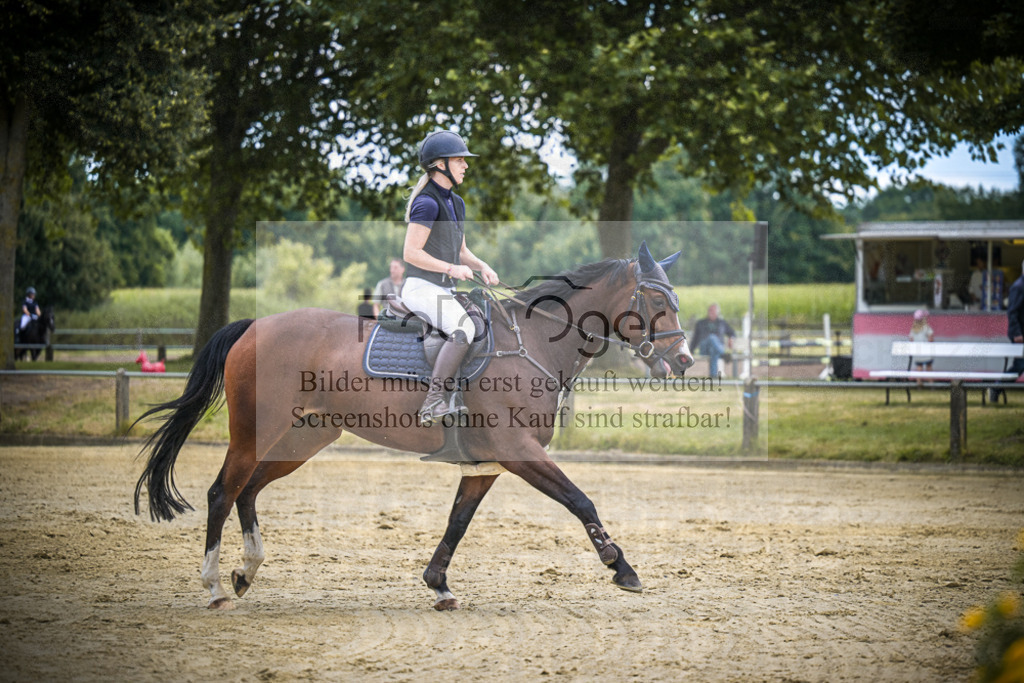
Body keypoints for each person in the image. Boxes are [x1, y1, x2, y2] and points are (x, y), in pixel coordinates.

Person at [401, 131, 499, 425]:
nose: (465, 165)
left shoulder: (456, 202)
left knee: (482, 322)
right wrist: (451, 268)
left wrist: (482, 265)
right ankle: (432, 402)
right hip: (420, 287)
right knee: (463, 329)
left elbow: (462, 250)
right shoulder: (427, 203)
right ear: (439, 164)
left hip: (442, 288)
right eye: (459, 160)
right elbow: (411, 253)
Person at [690, 303, 735, 378]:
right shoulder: (701, 323)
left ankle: (713, 377)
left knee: (713, 351)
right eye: (710, 310)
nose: (710, 312)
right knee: (712, 337)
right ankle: (723, 354)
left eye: (713, 311)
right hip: (704, 349)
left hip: (715, 350)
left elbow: (732, 333)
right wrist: (691, 350)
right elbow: (695, 338)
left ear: (717, 313)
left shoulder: (722, 323)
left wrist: (731, 338)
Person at [909, 308, 935, 385]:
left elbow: (911, 339)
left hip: (918, 352)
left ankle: (919, 382)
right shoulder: (926, 328)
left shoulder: (913, 329)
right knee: (929, 366)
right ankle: (931, 383)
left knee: (919, 367)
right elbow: (931, 338)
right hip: (926, 352)